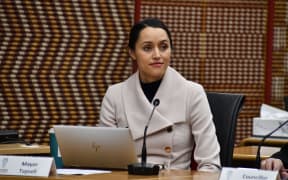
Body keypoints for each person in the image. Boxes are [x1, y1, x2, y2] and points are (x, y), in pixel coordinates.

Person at [98, 18, 221, 172]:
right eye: (147, 48)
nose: (157, 55)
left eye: (163, 47)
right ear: (132, 53)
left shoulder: (193, 93)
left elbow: (211, 165)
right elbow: (104, 161)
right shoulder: (115, 95)